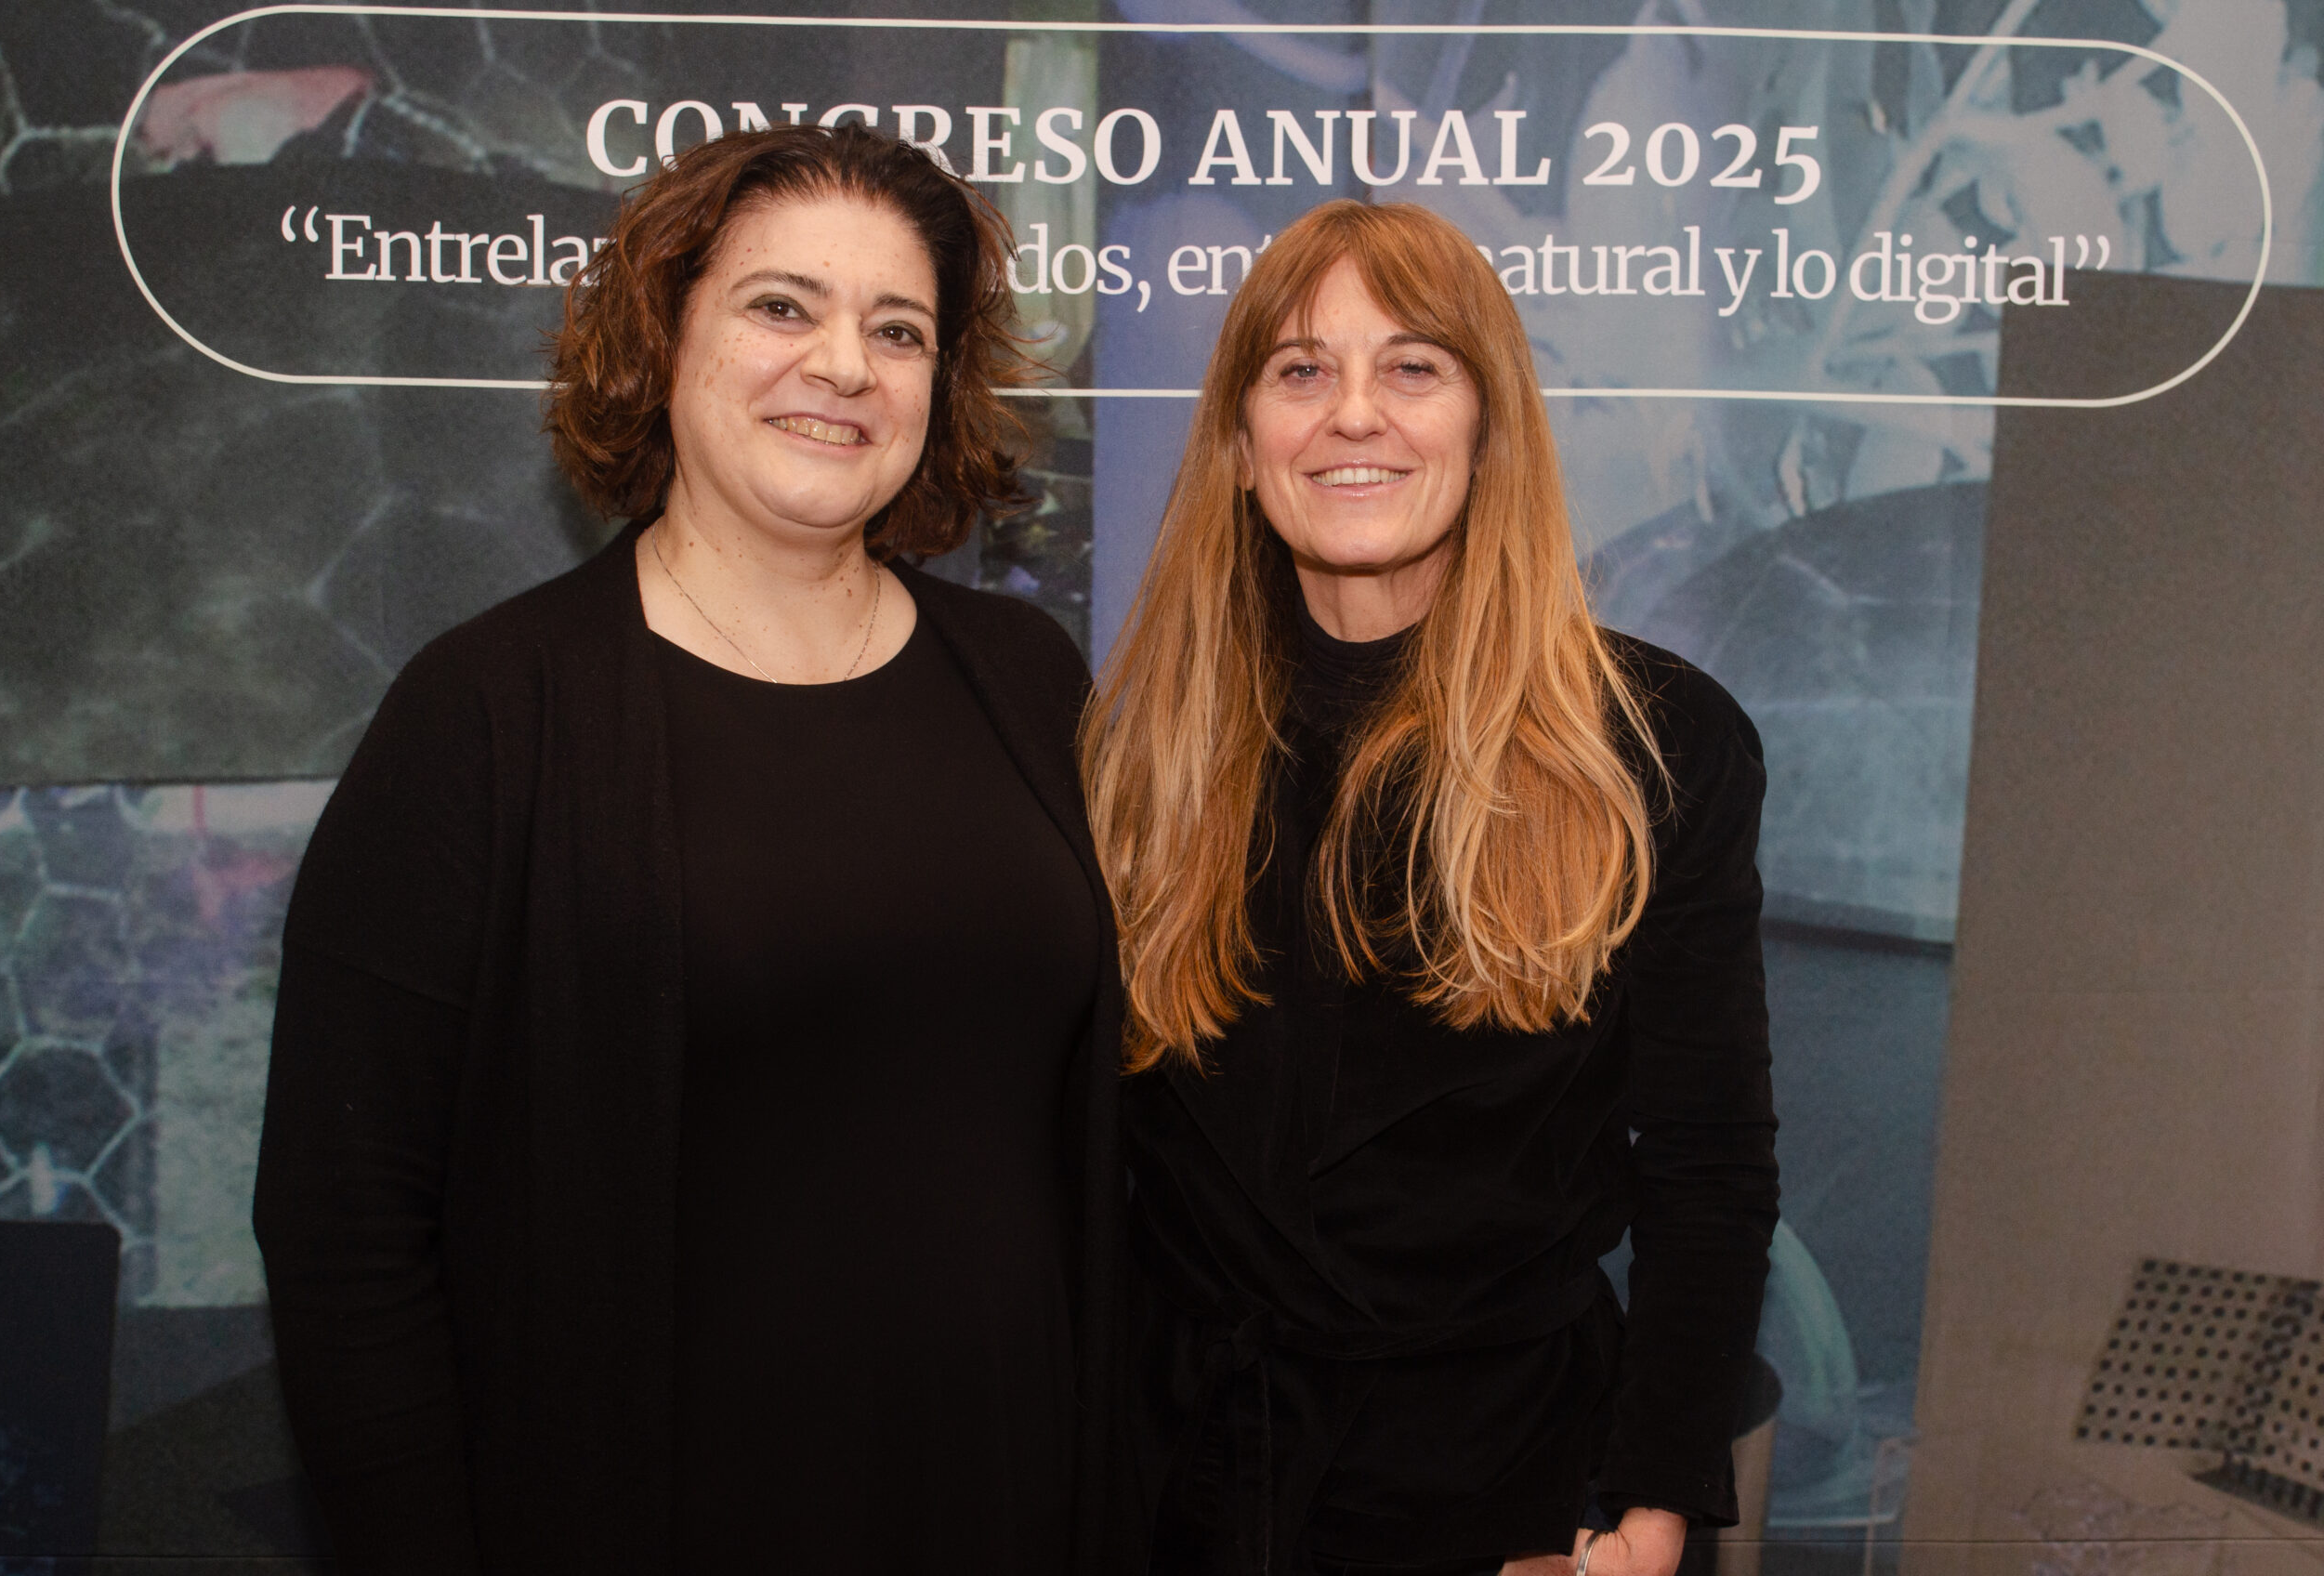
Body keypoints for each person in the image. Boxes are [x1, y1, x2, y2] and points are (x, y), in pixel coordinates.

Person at [254, 124, 1131, 1576]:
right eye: (782, 306)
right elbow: (345, 1230)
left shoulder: (1027, 680)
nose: (843, 365)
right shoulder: (489, 716)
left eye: (898, 330)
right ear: (666, 335)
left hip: (1014, 1508)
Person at [1081, 199, 1779, 1576]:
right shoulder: (1133, 748)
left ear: (1488, 427)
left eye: (1412, 366)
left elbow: (1707, 1164)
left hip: (1508, 1489)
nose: (1355, 413)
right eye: (1301, 369)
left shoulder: (1655, 744)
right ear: (1239, 445)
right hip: (1173, 1479)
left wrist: (1644, 1513)